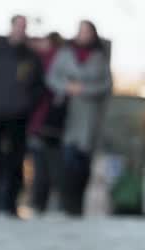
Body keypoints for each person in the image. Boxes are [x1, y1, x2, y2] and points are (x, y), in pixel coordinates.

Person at [47, 20, 112, 217]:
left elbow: (106, 85)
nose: (82, 35)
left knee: (83, 162)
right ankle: (65, 203)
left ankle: (77, 204)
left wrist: (85, 90)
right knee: (66, 161)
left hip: (89, 116)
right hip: (66, 114)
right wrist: (66, 88)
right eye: (80, 31)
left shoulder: (99, 58)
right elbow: (51, 77)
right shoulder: (65, 54)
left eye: (87, 32)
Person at [0, 14, 45, 216]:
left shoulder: (30, 56)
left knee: (16, 161)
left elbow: (38, 86)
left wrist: (27, 104)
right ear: (11, 27)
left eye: (24, 26)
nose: (21, 30)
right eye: (18, 26)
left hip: (18, 115)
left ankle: (10, 204)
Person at [28, 32, 67, 215]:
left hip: (43, 124)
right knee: (49, 167)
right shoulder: (58, 63)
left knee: (44, 168)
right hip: (51, 125)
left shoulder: (45, 62)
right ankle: (47, 203)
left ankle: (40, 204)